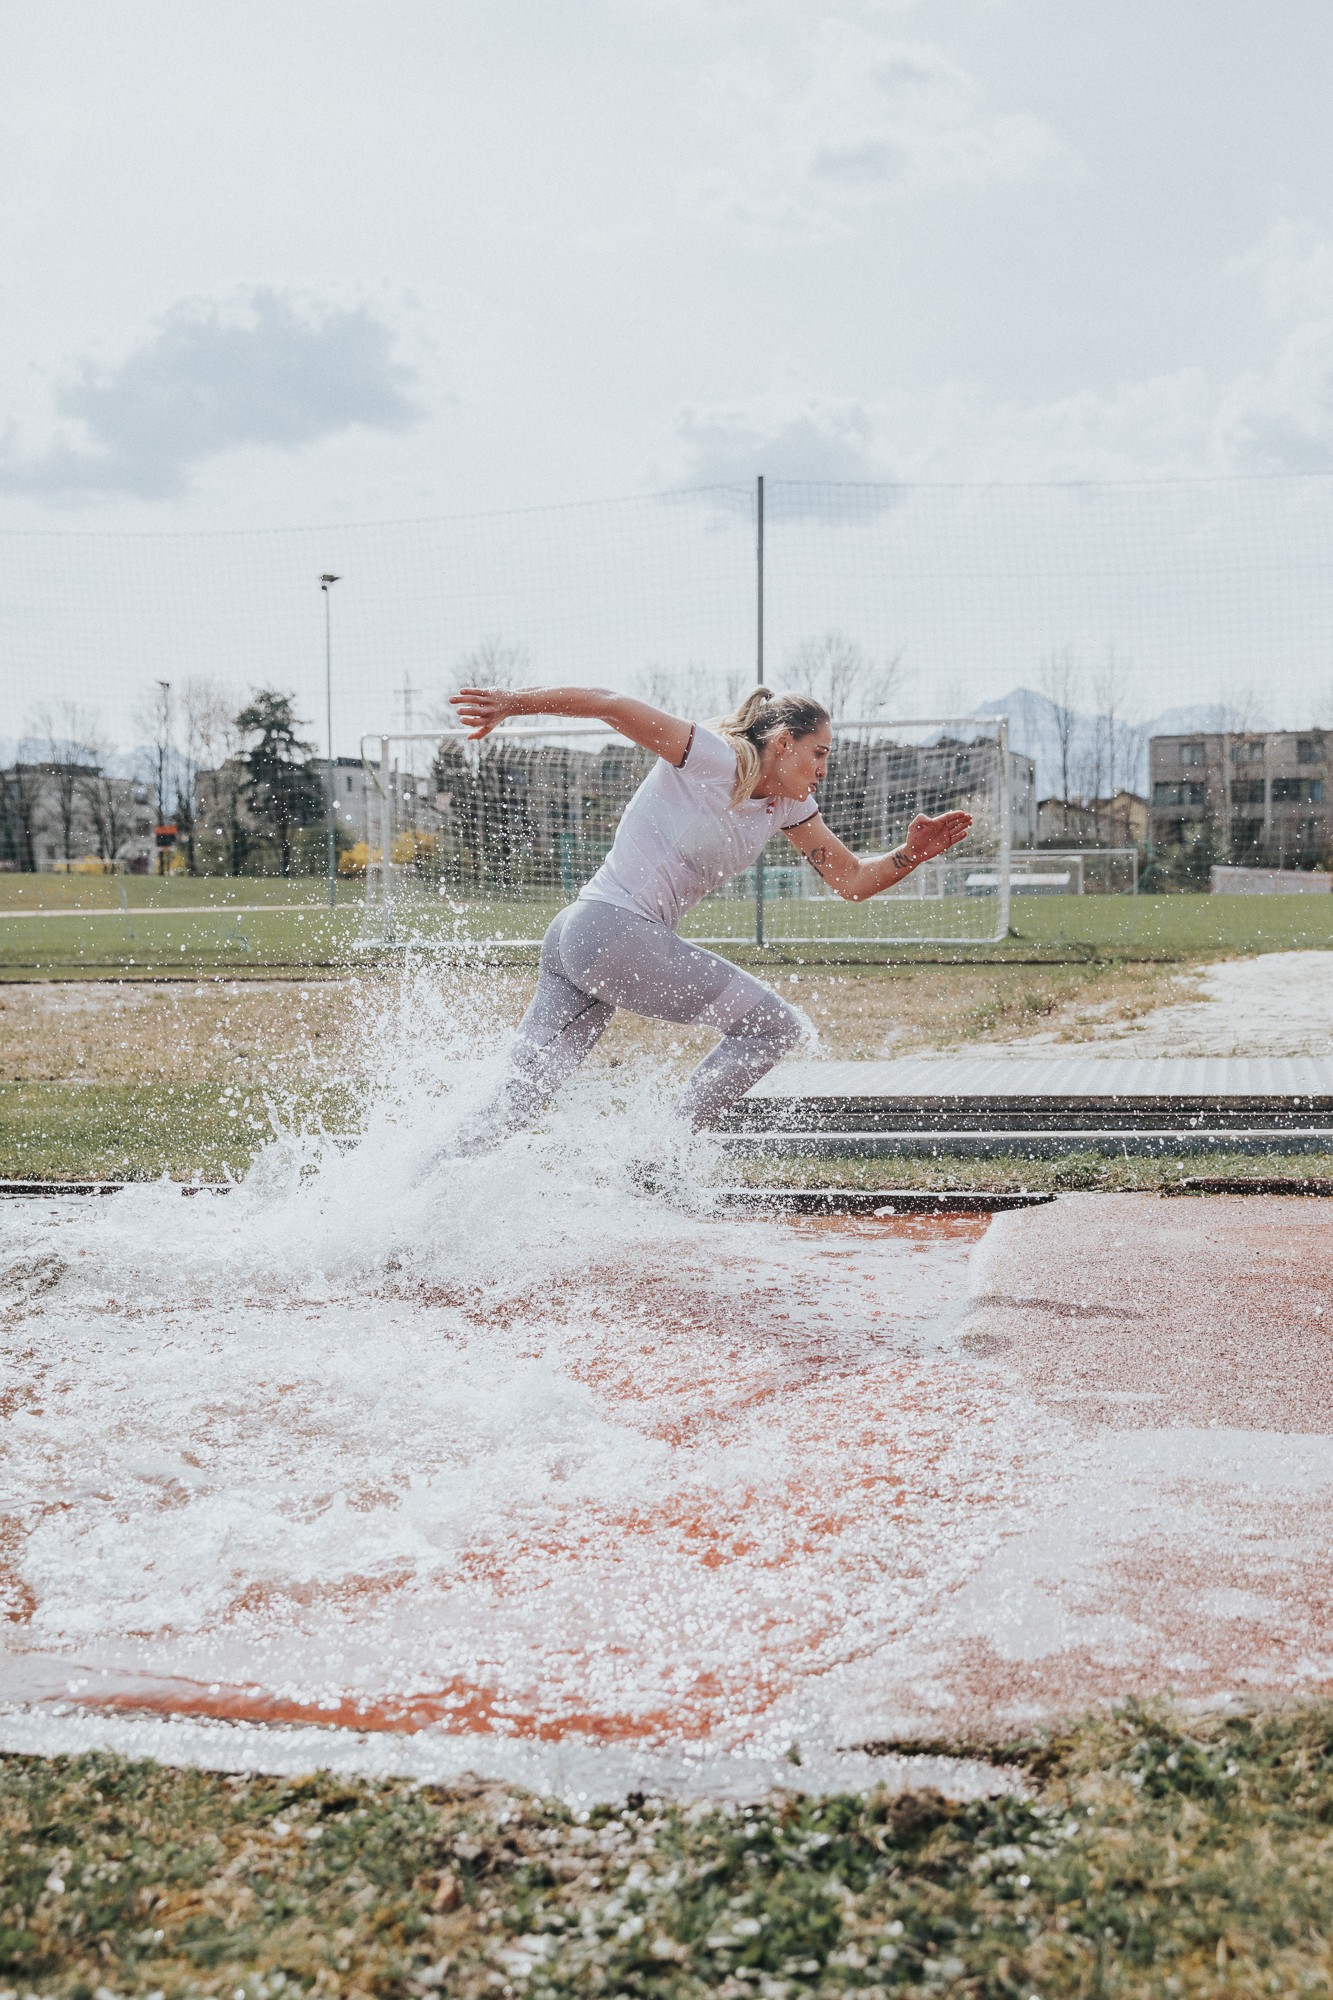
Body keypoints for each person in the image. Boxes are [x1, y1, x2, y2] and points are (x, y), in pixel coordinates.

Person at [449, 681, 971, 1150]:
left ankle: (405, 1213)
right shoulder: (713, 758)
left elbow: (851, 881)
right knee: (773, 1029)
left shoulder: (787, 807)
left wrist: (911, 855)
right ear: (784, 742)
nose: (824, 770)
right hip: (613, 930)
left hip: (582, 935)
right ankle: (657, 1158)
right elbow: (610, 705)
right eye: (819, 753)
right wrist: (512, 704)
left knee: (514, 1103)